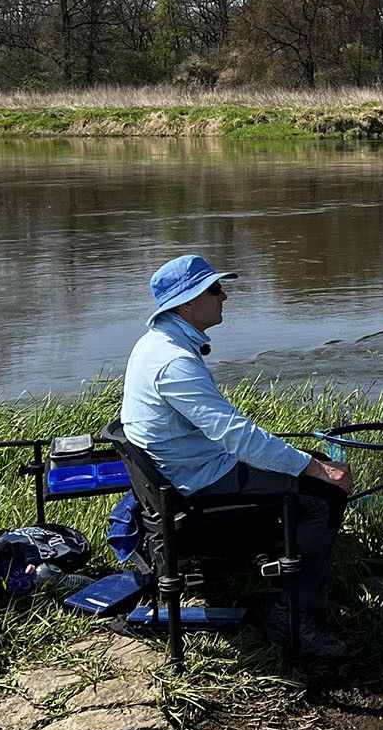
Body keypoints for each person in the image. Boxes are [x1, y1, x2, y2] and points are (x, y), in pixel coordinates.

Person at [121, 254, 353, 657]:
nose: (224, 295)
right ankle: (292, 613)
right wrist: (316, 468)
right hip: (200, 485)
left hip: (187, 471)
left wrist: (306, 461)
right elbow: (236, 436)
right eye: (214, 289)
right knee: (325, 496)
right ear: (187, 303)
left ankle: (284, 564)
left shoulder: (157, 343)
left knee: (310, 465)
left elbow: (229, 433)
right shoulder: (175, 362)